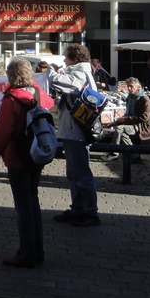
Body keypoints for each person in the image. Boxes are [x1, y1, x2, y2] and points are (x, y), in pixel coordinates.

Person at [0, 58, 56, 269]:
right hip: (37, 154)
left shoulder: (11, 100)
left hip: (18, 157)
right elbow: (50, 103)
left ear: (10, 76)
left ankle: (26, 254)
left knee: (23, 207)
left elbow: (1, 134)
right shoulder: (37, 94)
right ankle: (37, 251)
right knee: (32, 202)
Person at [49, 44, 101, 227]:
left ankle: (90, 212)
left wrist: (49, 72)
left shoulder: (80, 74)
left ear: (75, 59)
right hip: (73, 130)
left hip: (76, 131)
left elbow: (65, 83)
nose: (64, 60)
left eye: (66, 57)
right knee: (74, 173)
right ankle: (78, 209)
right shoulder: (81, 72)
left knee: (81, 173)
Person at [107, 77, 150, 162]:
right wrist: (119, 120)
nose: (129, 88)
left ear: (138, 87)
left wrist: (126, 120)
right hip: (131, 123)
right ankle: (134, 154)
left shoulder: (144, 99)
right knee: (121, 133)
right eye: (128, 86)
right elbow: (128, 113)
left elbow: (144, 117)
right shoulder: (129, 97)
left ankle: (114, 154)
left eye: (131, 86)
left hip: (141, 126)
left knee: (119, 129)